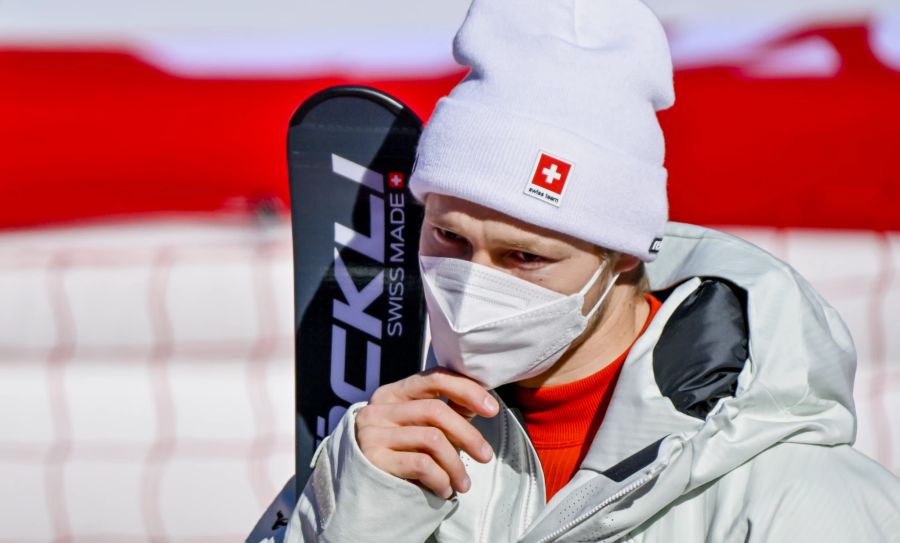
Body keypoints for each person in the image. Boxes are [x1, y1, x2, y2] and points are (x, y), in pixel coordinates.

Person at [285, 0, 900, 541]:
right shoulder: (378, 454)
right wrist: (360, 517)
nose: (472, 285)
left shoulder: (799, 497)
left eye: (524, 256)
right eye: (448, 235)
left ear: (623, 253)